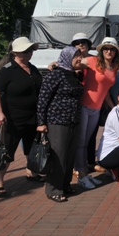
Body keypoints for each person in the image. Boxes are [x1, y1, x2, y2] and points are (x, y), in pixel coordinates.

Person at [0, 37, 43, 198]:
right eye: (25, 51)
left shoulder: (32, 68)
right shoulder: (7, 70)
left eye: (30, 50)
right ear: (15, 53)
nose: (29, 53)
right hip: (12, 118)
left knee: (31, 147)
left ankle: (31, 172)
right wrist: (0, 113)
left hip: (32, 117)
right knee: (7, 151)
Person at [37, 46, 85, 202]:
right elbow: (43, 99)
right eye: (76, 56)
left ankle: (65, 184)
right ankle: (53, 189)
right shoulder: (55, 75)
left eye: (80, 56)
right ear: (67, 57)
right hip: (57, 121)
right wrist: (41, 122)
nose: (79, 59)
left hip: (73, 120)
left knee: (69, 155)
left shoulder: (74, 75)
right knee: (58, 155)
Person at [75, 37, 119, 190]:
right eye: (106, 48)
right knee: (80, 143)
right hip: (84, 106)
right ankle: (81, 175)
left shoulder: (114, 67)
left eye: (112, 49)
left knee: (86, 143)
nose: (109, 51)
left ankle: (83, 173)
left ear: (116, 52)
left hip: (96, 109)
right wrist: (54, 64)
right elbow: (72, 64)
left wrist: (115, 108)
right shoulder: (92, 60)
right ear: (101, 50)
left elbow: (105, 91)